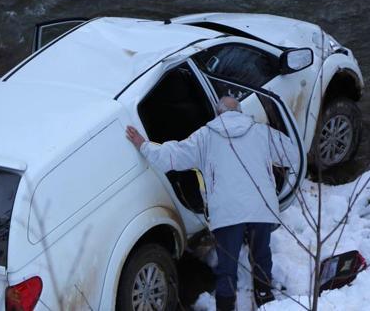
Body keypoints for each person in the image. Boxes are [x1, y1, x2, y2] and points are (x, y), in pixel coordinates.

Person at [125, 96, 298, 311]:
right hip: (260, 207)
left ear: (218, 114)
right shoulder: (260, 132)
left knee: (227, 268)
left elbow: (173, 157)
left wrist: (144, 145)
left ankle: (225, 306)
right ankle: (265, 299)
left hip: (227, 213)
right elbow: (291, 153)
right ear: (240, 112)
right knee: (261, 256)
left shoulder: (205, 137)